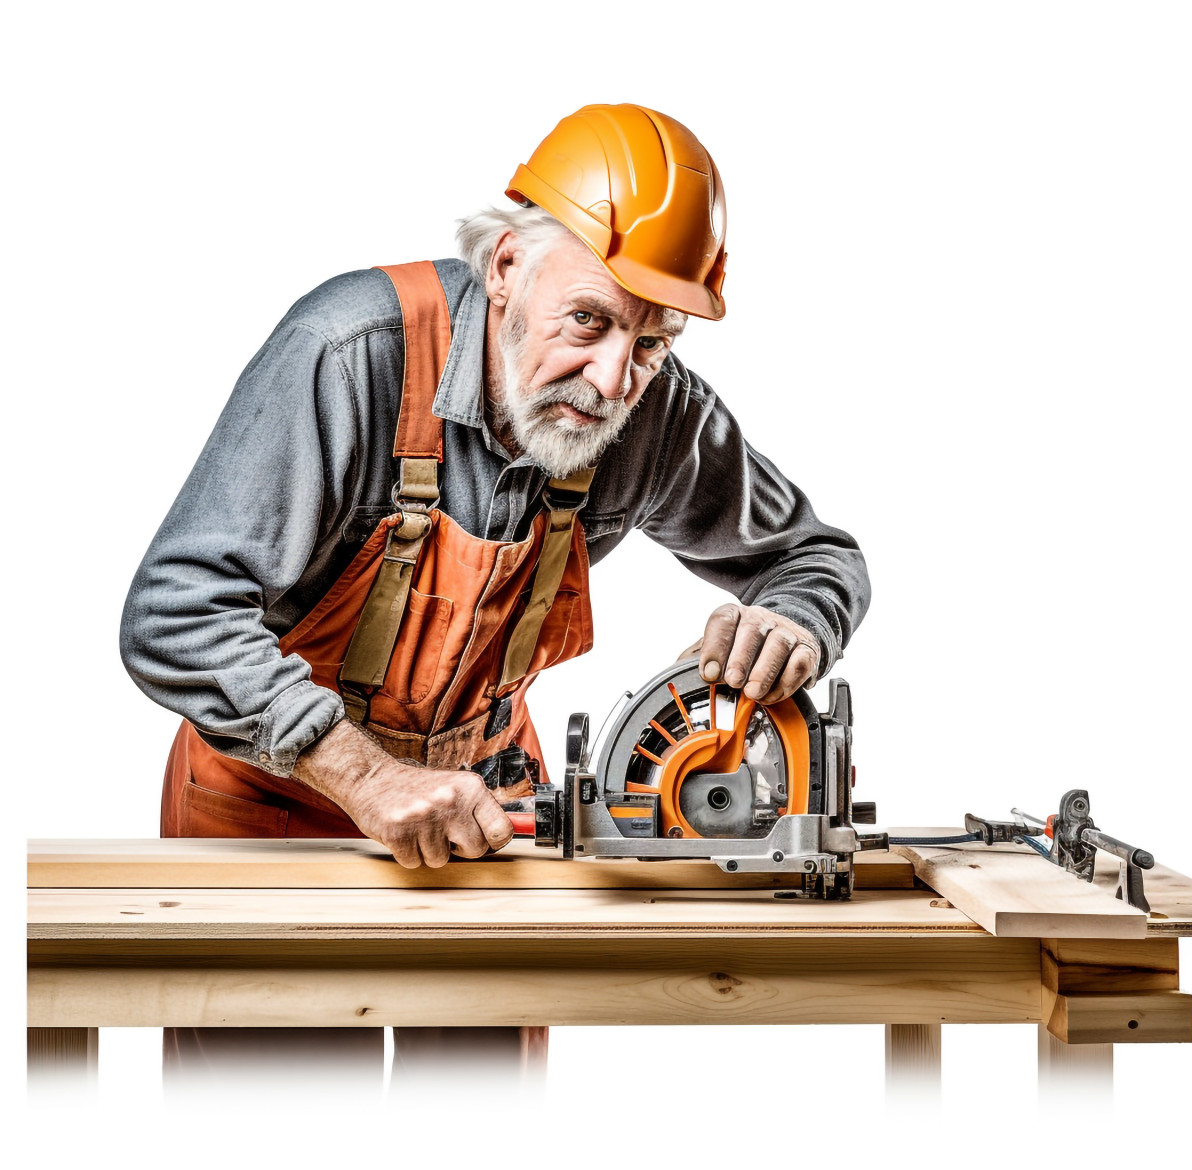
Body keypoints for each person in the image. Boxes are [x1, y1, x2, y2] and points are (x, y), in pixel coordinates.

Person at [120, 102, 870, 1083]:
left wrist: (793, 620)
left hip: (488, 813)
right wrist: (368, 777)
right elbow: (177, 613)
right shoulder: (349, 353)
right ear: (506, 265)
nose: (610, 379)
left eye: (651, 343)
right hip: (277, 804)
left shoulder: (655, 414)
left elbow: (817, 558)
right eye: (589, 321)